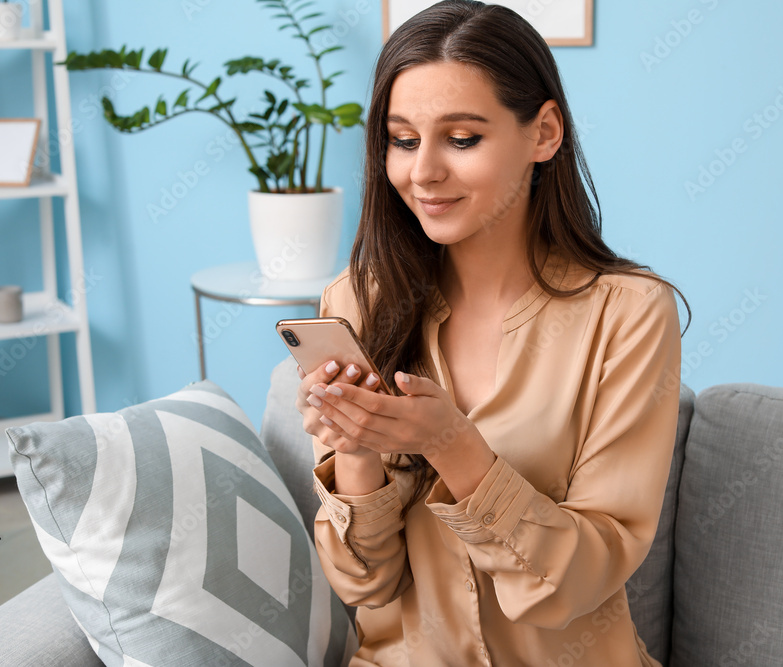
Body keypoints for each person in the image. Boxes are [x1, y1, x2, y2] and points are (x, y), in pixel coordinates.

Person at [295, 1, 689, 664]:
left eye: (462, 138)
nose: (422, 173)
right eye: (403, 139)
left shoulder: (628, 315)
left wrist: (450, 444)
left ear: (544, 133)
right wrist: (355, 450)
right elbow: (366, 583)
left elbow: (578, 579)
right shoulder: (356, 299)